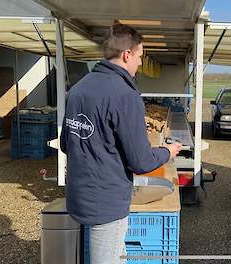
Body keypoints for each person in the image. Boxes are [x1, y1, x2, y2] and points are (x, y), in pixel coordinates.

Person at [60, 23, 182, 264]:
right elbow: (141, 161)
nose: (139, 63)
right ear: (127, 54)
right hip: (107, 202)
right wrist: (167, 152)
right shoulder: (126, 95)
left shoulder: (78, 89)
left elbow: (67, 143)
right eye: (139, 56)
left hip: (79, 197)